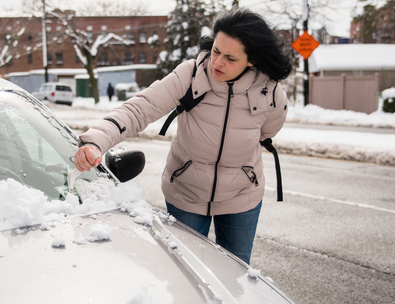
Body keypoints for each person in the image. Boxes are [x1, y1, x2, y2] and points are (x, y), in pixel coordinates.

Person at [73, 9, 292, 265]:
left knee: (237, 272)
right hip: (187, 193)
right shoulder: (190, 75)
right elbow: (139, 108)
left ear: (252, 61)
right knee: (186, 271)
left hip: (241, 197)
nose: (217, 63)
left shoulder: (271, 94)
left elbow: (267, 132)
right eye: (216, 51)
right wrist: (95, 140)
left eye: (230, 58)